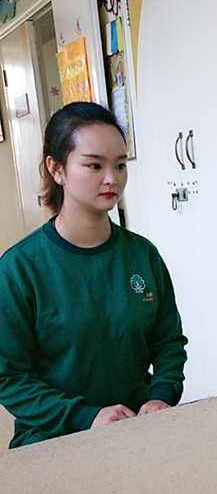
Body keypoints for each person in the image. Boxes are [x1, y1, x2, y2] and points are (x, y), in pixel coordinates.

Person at [0, 102, 188, 448]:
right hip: (53, 440)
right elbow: (10, 378)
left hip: (136, 428)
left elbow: (168, 343)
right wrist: (86, 417)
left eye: (119, 164)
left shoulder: (142, 255)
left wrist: (161, 394)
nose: (111, 179)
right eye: (94, 165)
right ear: (56, 169)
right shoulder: (19, 269)